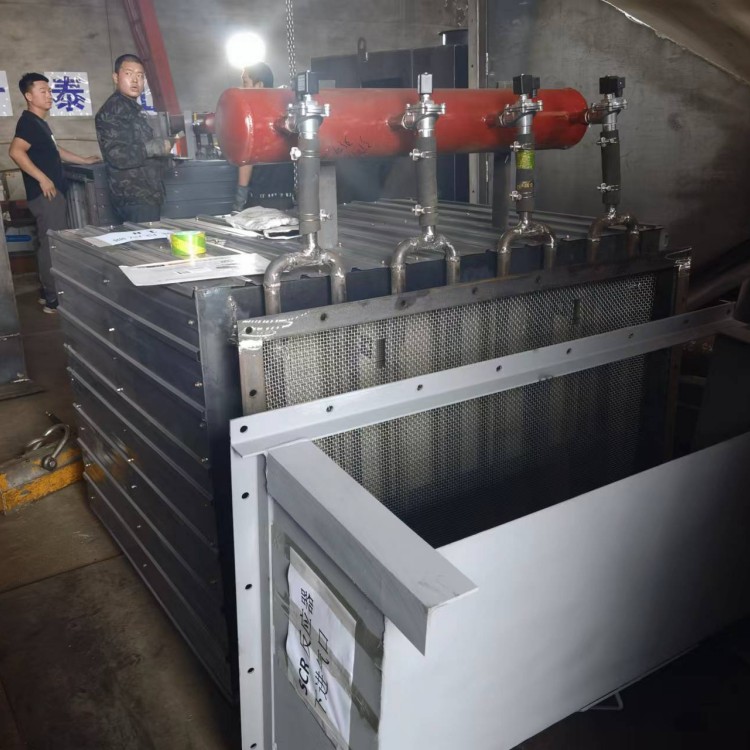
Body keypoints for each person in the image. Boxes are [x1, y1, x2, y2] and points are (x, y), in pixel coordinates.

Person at [8, 73, 100, 314]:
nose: (49, 95)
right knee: (52, 244)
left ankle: (46, 292)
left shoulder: (39, 123)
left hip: (52, 192)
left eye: (49, 91)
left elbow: (54, 150)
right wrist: (43, 178)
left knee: (48, 242)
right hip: (46, 195)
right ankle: (53, 299)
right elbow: (16, 152)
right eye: (42, 91)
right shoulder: (29, 122)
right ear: (29, 96)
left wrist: (83, 160)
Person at [95, 54, 172, 223]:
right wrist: (152, 148)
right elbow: (116, 155)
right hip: (134, 196)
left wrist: (165, 157)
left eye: (140, 75)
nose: (135, 80)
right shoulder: (113, 110)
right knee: (145, 239)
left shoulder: (131, 109)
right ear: (116, 77)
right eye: (129, 74)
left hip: (146, 194)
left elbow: (137, 147)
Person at [233, 62, 295, 212]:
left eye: (245, 82)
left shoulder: (251, 115)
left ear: (259, 85)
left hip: (259, 198)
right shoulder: (284, 108)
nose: (241, 88)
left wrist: (240, 200)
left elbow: (246, 159)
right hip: (286, 196)